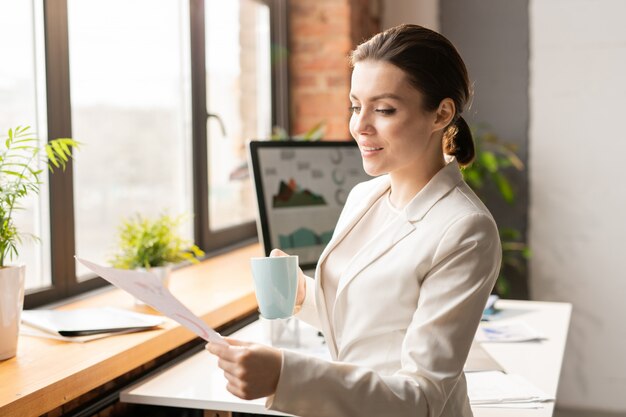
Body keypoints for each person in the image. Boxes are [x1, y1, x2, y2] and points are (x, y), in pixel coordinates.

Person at [207, 24, 502, 417]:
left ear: (441, 114)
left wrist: (285, 376)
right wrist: (303, 296)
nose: (360, 126)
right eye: (354, 105)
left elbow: (424, 398)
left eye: (383, 110)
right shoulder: (365, 195)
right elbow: (368, 324)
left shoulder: (466, 230)